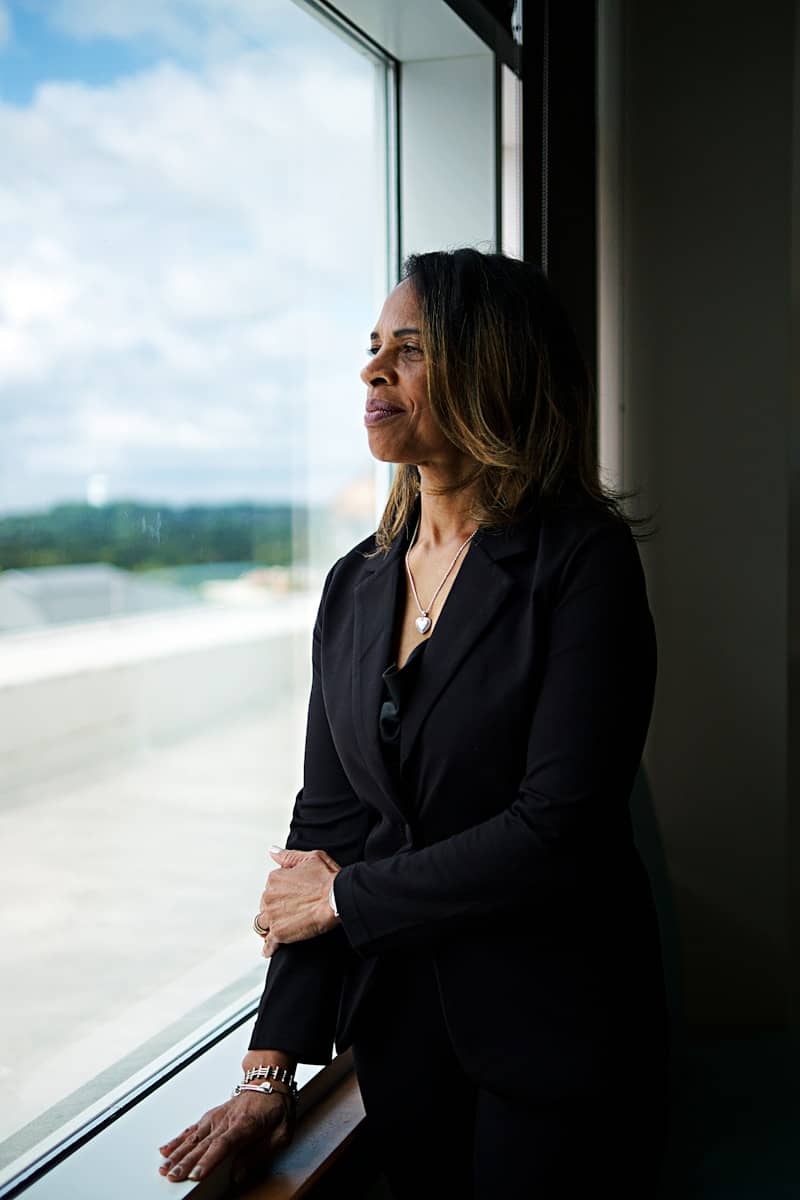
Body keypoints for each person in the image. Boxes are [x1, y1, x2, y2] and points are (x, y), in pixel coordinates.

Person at [158, 248, 670, 1197]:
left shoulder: (581, 564)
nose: (371, 371)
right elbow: (323, 834)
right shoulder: (355, 584)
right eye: (370, 348)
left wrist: (348, 899)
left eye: (409, 349)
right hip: (400, 1044)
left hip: (557, 1042)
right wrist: (270, 1067)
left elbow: (558, 831)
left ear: (491, 368)